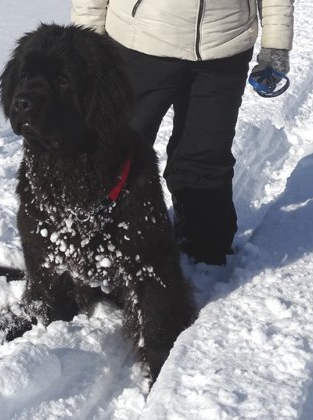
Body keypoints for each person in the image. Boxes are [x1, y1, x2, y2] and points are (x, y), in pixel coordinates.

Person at [71, 0, 294, 266]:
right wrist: (86, 41)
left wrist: (276, 43)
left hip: (224, 44)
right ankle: (93, 243)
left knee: (206, 151)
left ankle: (203, 246)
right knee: (113, 150)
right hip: (141, 41)